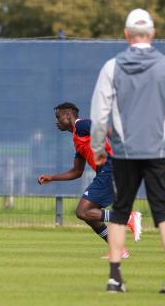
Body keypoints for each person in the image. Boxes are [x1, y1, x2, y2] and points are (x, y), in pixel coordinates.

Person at [90, 8, 165, 294]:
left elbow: (100, 114)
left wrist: (98, 147)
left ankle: (114, 278)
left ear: (126, 34)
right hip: (160, 151)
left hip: (124, 152)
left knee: (120, 213)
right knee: (163, 214)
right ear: (153, 34)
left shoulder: (112, 67)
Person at [38, 102, 141, 259]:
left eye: (58, 117)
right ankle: (119, 249)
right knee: (89, 215)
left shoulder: (82, 125)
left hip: (112, 169)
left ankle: (126, 217)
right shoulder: (77, 139)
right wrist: (52, 178)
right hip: (108, 172)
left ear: (68, 115)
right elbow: (77, 172)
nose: (56, 121)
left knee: (82, 211)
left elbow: (104, 128)